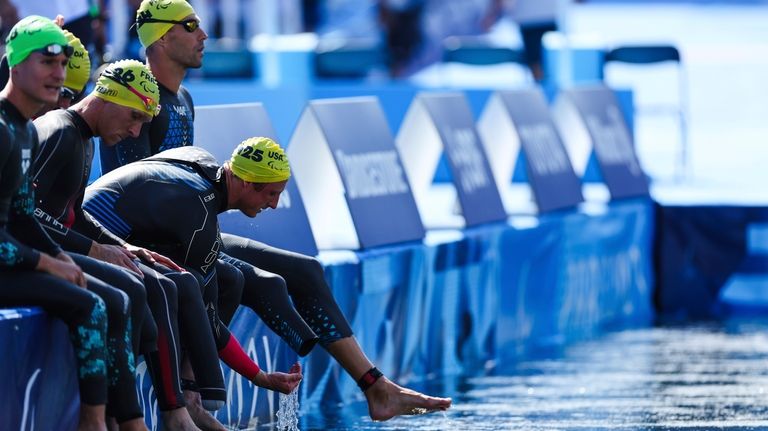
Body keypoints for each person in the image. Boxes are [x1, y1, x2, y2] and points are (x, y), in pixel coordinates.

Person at [105, 0, 451, 422]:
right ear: (160, 36)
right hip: (150, 243)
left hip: (189, 231)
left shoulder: (185, 99)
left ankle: (375, 387)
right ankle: (191, 396)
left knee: (306, 270)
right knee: (248, 280)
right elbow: (126, 196)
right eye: (191, 25)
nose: (204, 35)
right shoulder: (137, 97)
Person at [0, 15, 125, 431]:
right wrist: (47, 263)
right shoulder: (3, 131)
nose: (59, 73)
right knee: (91, 305)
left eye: (64, 63)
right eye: (47, 61)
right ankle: (94, 424)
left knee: (112, 296)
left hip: (11, 258)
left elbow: (20, 212)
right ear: (15, 64)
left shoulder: (24, 132)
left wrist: (58, 254)